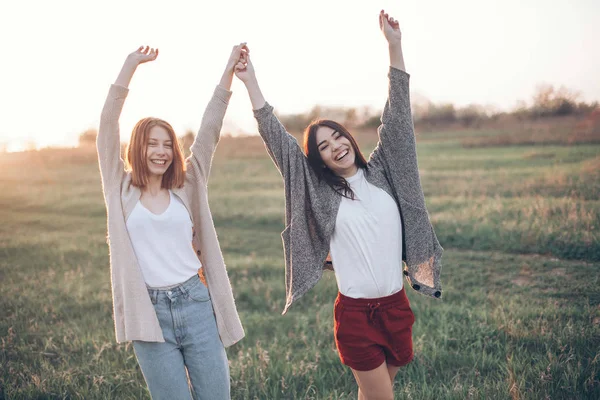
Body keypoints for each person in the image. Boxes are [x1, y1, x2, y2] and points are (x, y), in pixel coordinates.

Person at [235, 10, 442, 400]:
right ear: (319, 160)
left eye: (337, 137)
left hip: (396, 307)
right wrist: (251, 82)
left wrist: (394, 46)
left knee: (373, 394)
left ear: (349, 138)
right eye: (324, 147)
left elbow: (398, 114)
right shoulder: (318, 189)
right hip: (355, 316)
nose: (335, 147)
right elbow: (278, 139)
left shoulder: (383, 172)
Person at [96, 44, 246, 399]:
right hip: (148, 312)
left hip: (195, 303)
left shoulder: (188, 183)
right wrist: (129, 66)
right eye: (152, 144)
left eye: (167, 144)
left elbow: (209, 129)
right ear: (138, 148)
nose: (161, 151)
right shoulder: (120, 188)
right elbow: (106, 125)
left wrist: (227, 72)